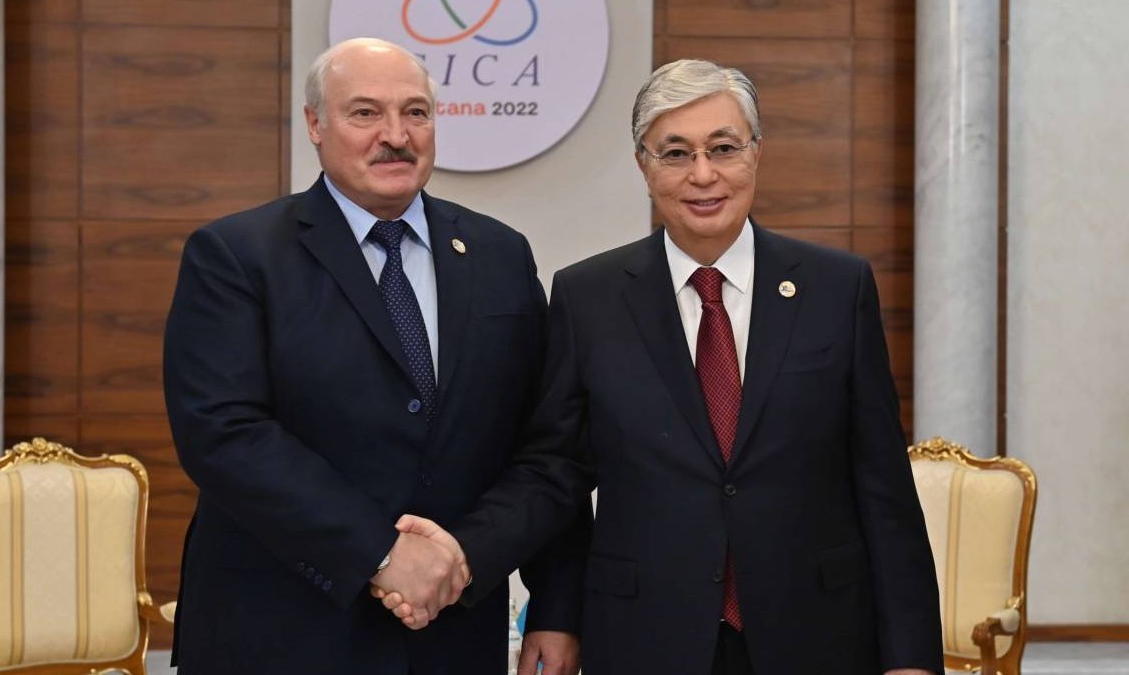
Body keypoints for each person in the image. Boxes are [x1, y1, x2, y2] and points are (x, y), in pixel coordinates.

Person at [384, 59, 944, 674]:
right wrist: (507, 579)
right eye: (675, 153)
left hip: (817, 634)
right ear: (643, 166)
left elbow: (884, 487)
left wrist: (911, 656)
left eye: (723, 148)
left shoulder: (838, 288)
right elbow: (556, 472)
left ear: (756, 152)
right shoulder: (588, 298)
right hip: (645, 636)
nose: (703, 175)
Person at [162, 37, 584, 674]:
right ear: (315, 124)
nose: (396, 136)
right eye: (365, 113)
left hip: (452, 633)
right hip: (281, 633)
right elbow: (223, 434)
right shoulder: (236, 256)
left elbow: (548, 445)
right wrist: (382, 554)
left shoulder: (501, 254)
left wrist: (545, 601)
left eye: (415, 113)